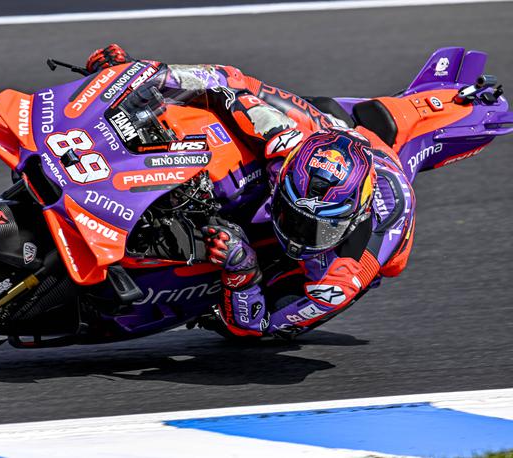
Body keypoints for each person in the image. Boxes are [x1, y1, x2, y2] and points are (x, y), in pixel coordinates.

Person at [86, 44, 416, 338]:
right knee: (226, 112)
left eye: (316, 228)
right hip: (328, 134)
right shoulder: (285, 142)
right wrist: (141, 74)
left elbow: (257, 326)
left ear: (351, 218)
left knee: (235, 323)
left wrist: (242, 268)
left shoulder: (338, 278)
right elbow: (227, 81)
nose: (297, 233)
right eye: (291, 215)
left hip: (366, 212)